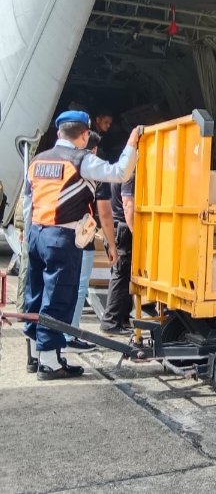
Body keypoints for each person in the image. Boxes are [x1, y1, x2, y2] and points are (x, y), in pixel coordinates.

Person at [23, 111, 139, 379]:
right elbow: (120, 172)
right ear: (85, 135)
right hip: (61, 240)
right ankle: (50, 362)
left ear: (58, 133)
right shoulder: (82, 159)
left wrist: (29, 236)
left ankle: (34, 354)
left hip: (36, 235)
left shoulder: (37, 161)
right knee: (58, 297)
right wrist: (131, 142)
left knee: (36, 295)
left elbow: (29, 204)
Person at [63, 132, 118, 351]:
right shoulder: (93, 171)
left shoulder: (63, 165)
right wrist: (111, 245)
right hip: (80, 239)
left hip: (56, 236)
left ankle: (54, 335)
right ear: (92, 150)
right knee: (78, 288)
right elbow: (104, 213)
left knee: (59, 287)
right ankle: (70, 335)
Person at [101, 173, 135, 334]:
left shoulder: (117, 172)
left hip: (114, 228)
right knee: (121, 275)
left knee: (122, 274)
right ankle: (111, 322)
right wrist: (136, 232)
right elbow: (128, 205)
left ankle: (122, 318)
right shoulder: (130, 174)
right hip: (122, 228)